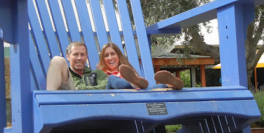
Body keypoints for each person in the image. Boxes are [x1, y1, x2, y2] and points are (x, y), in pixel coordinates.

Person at [46, 41, 183, 91]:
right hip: (71, 98)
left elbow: (100, 88)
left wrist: (83, 88)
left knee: (150, 90)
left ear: (87, 56)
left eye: (82, 54)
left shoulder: (95, 74)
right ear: (68, 56)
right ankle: (48, 102)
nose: (79, 58)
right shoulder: (68, 73)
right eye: (76, 54)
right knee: (57, 60)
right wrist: (81, 88)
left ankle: (169, 85)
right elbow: (99, 88)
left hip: (126, 95)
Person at [97, 42, 184, 90]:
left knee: (151, 90)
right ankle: (132, 84)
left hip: (133, 96)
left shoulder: (126, 70)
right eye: (106, 55)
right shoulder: (101, 73)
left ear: (118, 56)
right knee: (112, 78)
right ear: (102, 59)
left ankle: (170, 84)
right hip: (113, 98)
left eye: (113, 54)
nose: (110, 58)